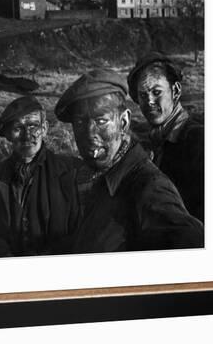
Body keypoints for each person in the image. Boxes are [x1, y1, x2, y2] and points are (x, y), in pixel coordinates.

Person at [54, 69, 203, 254]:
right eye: (79, 123)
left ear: (123, 122)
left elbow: (193, 243)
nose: (89, 134)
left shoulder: (148, 187)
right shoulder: (92, 179)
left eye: (101, 121)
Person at [0, 96, 80, 258]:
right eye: (18, 128)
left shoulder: (71, 172)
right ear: (8, 134)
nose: (26, 135)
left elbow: (85, 229)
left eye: (33, 126)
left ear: (44, 128)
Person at [127, 52, 204, 222]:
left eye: (156, 92)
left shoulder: (199, 141)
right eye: (143, 95)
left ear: (175, 91)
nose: (150, 102)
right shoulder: (151, 143)